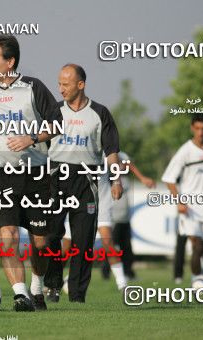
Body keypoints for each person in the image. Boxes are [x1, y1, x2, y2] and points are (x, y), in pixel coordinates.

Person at [0, 35, 62, 311]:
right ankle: (20, 295)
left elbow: (57, 124)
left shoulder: (34, 88)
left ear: (10, 61)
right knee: (7, 234)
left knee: (40, 240)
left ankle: (37, 288)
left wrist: (32, 138)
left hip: (35, 174)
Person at [45, 63, 122, 303]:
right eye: (58, 83)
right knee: (51, 235)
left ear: (81, 85)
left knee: (83, 239)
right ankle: (53, 285)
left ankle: (77, 295)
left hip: (87, 180)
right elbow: (39, 147)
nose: (60, 89)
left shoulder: (101, 113)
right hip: (55, 177)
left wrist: (116, 179)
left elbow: (111, 153)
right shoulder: (52, 111)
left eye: (65, 84)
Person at [161, 113, 203, 282]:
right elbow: (169, 178)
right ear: (192, 128)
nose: (201, 132)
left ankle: (202, 266)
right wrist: (179, 202)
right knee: (197, 246)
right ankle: (197, 281)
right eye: (197, 128)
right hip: (190, 208)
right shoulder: (186, 150)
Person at [45, 171, 127, 302]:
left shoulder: (111, 153)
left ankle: (123, 285)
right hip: (79, 199)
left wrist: (118, 181)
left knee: (107, 242)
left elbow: (121, 164)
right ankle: (54, 285)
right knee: (66, 248)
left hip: (102, 200)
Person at [101, 152, 155, 281]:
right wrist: (142, 178)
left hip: (124, 214)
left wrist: (142, 178)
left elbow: (128, 163)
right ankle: (107, 272)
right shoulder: (106, 162)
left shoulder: (122, 164)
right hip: (113, 213)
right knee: (112, 244)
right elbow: (125, 163)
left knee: (125, 246)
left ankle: (127, 272)